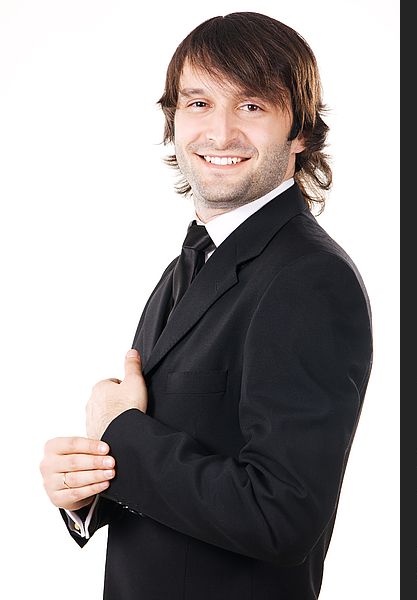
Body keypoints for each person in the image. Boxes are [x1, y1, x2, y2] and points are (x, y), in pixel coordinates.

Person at [40, 12, 373, 600]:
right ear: (173, 120)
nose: (219, 134)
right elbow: (180, 475)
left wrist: (120, 431)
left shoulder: (310, 280)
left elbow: (282, 517)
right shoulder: (189, 265)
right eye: (198, 104)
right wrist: (89, 490)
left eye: (251, 106)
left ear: (300, 130)